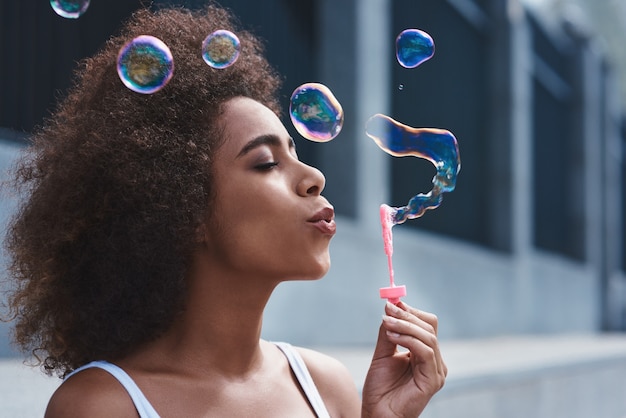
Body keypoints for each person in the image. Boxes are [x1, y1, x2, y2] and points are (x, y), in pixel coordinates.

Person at [2, 4, 446, 417]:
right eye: (267, 162)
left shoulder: (328, 388)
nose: (314, 176)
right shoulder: (103, 405)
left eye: (296, 152)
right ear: (183, 206)